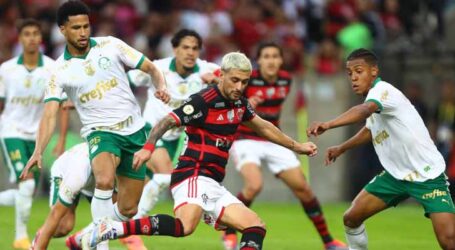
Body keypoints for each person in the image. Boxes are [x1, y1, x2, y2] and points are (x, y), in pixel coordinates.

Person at [82, 52, 318, 250]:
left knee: (255, 227)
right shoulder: (204, 101)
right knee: (185, 227)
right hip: (192, 173)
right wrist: (148, 148)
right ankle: (115, 228)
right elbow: (167, 120)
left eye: (244, 82)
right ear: (221, 75)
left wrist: (297, 147)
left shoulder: (239, 104)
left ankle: (113, 228)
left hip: (213, 181)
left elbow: (264, 127)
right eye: (234, 80)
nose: (239, 87)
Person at [20, 0, 169, 249]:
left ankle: (83, 237)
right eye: (76, 28)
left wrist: (160, 85)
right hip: (100, 133)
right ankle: (99, 245)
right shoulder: (59, 70)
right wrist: (38, 150)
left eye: (86, 27)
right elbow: (49, 114)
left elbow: (151, 67)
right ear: (62, 30)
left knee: (128, 209)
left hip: (134, 132)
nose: (83, 33)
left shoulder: (111, 45)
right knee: (104, 180)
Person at [307, 48, 455, 250]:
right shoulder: (373, 100)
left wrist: (329, 124)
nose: (354, 78)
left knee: (448, 240)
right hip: (395, 177)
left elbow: (364, 111)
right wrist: (342, 148)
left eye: (359, 71)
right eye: (350, 73)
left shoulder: (383, 92)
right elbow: (370, 130)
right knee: (351, 218)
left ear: (374, 71)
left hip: (426, 175)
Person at [223, 42, 347, 250]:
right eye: (266, 56)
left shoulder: (286, 80)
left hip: (273, 139)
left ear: (281, 60)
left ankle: (329, 242)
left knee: (305, 191)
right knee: (254, 186)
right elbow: (229, 103)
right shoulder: (248, 80)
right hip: (246, 138)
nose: (271, 60)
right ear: (259, 61)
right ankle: (229, 234)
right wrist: (245, 104)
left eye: (275, 56)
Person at [127, 28, 219, 220]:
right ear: (175, 49)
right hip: (151, 131)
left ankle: (97, 232)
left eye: (195, 48)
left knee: (130, 199)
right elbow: (127, 79)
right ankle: (134, 227)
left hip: (176, 138)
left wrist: (217, 81)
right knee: (166, 176)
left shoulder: (206, 70)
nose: (190, 52)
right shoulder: (157, 68)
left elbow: (233, 81)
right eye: (185, 47)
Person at [0, 19, 57, 250]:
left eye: (36, 33)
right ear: (20, 38)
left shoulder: (52, 68)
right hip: (11, 132)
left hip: (36, 137)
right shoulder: (6, 70)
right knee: (27, 186)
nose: (32, 38)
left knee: (26, 190)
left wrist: (60, 138)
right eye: (27, 34)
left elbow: (59, 105)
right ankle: (20, 238)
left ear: (40, 38)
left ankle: (20, 237)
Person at [30, 143, 94, 249]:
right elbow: (56, 214)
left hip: (96, 175)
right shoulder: (77, 175)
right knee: (64, 226)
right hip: (66, 171)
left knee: (117, 213)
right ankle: (37, 241)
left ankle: (81, 238)